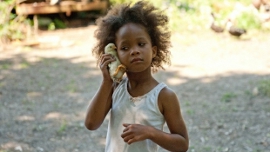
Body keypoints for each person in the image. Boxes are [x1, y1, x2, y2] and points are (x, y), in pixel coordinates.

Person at [85, 1, 189, 151]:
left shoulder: (164, 96)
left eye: (141, 44)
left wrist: (150, 132)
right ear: (115, 54)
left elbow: (182, 144)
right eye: (125, 47)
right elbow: (91, 123)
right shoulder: (115, 88)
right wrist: (106, 81)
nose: (134, 51)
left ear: (154, 51)